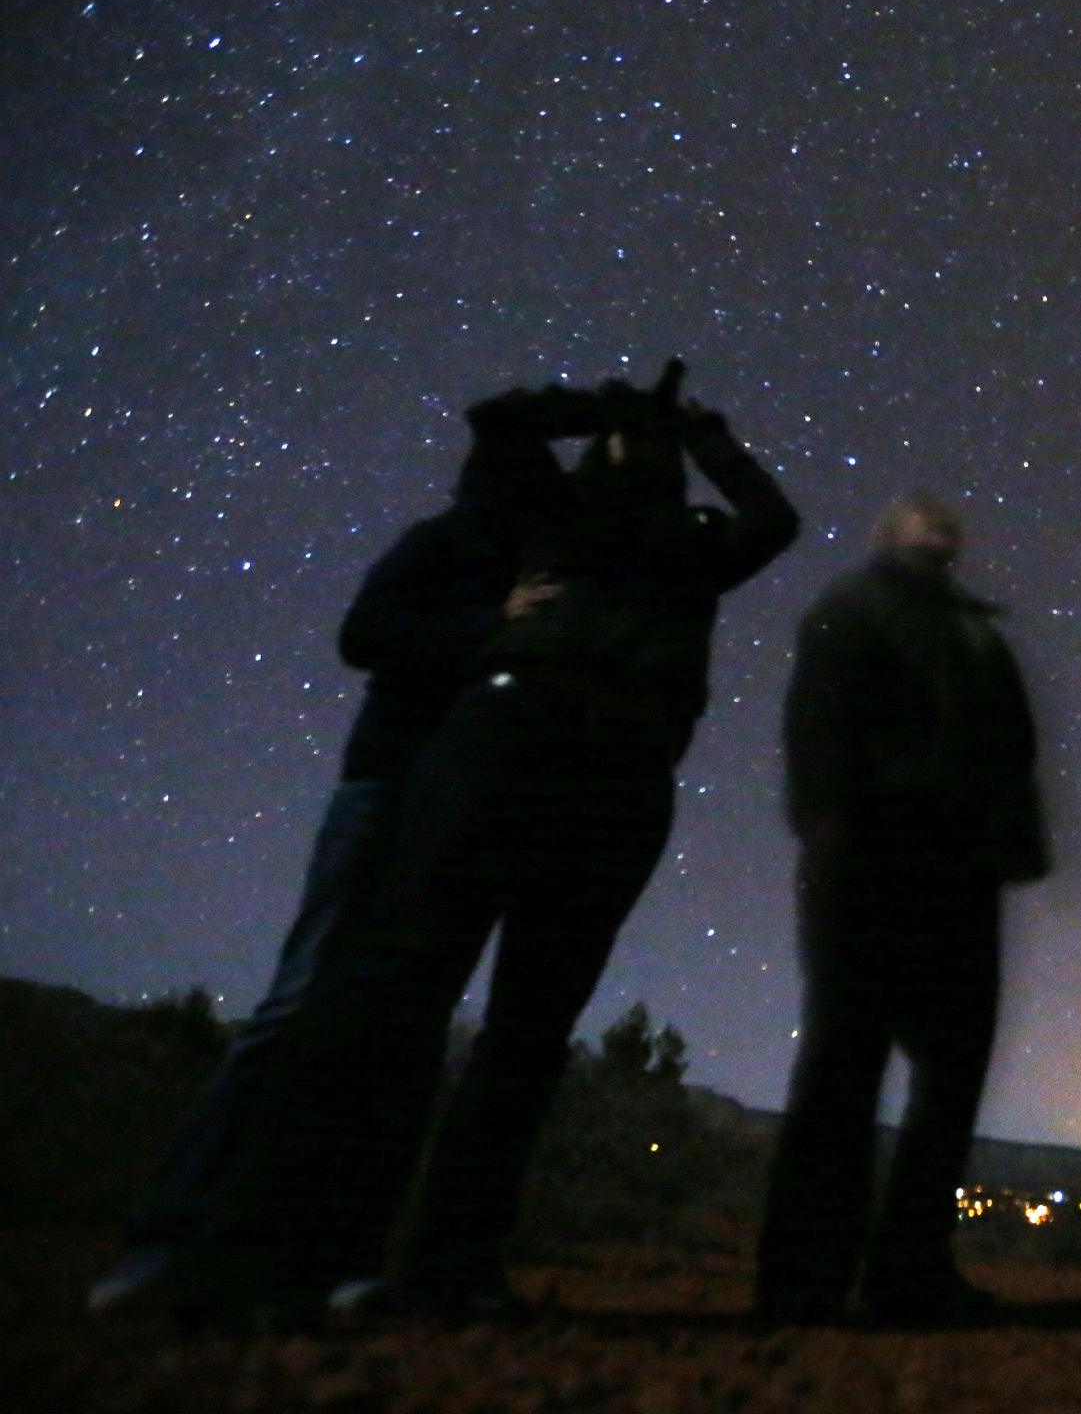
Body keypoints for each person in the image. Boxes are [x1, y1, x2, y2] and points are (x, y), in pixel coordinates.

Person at [177, 361, 799, 1319]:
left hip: (623, 777)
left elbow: (778, 519)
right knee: (398, 986)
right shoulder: (548, 510)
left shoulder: (697, 540)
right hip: (506, 738)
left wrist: (704, 432)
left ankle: (451, 1265)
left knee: (528, 1033)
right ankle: (279, 1250)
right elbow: (498, 422)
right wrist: (609, 407)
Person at [88, 379, 577, 1315]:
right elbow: (365, 636)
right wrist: (492, 623)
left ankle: (340, 1254)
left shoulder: (533, 564)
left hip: (454, 803)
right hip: (388, 789)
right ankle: (171, 1240)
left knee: (394, 1024)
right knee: (300, 1002)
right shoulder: (442, 547)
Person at [754, 495, 1047, 1326]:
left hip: (961, 870)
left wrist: (1013, 849)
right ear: (889, 533)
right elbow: (817, 730)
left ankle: (909, 1270)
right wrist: (832, 838)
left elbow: (1012, 749)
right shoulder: (850, 610)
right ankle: (803, 1282)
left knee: (950, 1079)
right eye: (922, 519)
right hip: (874, 863)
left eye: (948, 521)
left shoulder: (976, 632)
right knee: (845, 1068)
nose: (941, 530)